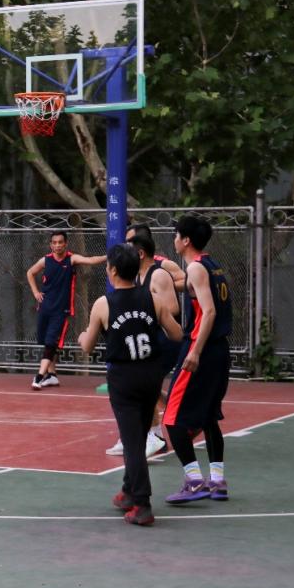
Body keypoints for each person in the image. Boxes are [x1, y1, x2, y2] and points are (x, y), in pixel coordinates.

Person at [78, 243, 183, 526]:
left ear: (112, 270)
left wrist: (82, 336)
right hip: (151, 375)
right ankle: (127, 491)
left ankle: (142, 503)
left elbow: (87, 346)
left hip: (124, 378)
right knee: (137, 434)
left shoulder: (104, 304)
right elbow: (177, 334)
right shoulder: (152, 299)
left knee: (132, 443)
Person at [161, 216, 233, 504]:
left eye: (176, 235)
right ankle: (217, 481)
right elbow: (190, 287)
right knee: (209, 418)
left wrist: (195, 351)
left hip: (200, 349)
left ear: (186, 240)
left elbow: (209, 311)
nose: (174, 239)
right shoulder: (212, 265)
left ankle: (193, 481)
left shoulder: (195, 268)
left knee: (172, 418)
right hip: (219, 351)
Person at [105, 226, 182, 458]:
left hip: (166, 341)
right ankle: (148, 435)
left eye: (129, 247)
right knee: (148, 388)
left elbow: (173, 308)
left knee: (142, 387)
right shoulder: (137, 277)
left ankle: (150, 436)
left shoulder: (158, 274)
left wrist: (147, 311)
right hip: (149, 340)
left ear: (139, 253)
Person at [26, 231, 106, 389]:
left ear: (65, 244)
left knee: (51, 342)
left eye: (60, 242)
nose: (57, 245)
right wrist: (35, 292)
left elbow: (90, 260)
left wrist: (108, 256)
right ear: (51, 245)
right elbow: (30, 272)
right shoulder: (45, 260)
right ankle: (52, 376)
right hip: (45, 307)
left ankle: (39, 376)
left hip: (61, 310)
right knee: (46, 342)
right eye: (54, 242)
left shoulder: (71, 259)